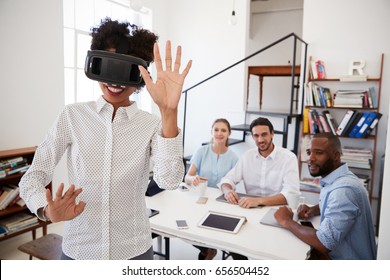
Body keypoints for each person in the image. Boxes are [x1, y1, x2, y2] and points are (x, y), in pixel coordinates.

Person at [19, 18, 192, 260]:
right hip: (79, 251)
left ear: (141, 76)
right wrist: (47, 210)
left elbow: (169, 180)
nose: (115, 81)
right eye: (109, 67)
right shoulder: (72, 116)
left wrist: (168, 111)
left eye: (126, 71)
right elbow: (32, 177)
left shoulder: (152, 125)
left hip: (134, 252)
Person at [274, 132, 377, 260]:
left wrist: (287, 221)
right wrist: (315, 209)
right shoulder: (339, 178)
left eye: (318, 152)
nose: (310, 158)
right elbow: (340, 206)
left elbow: (325, 242)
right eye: (309, 152)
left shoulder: (344, 190)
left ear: (336, 156)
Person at [218, 117, 300, 259]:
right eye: (256, 135)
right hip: (249, 213)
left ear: (272, 134)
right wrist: (227, 190)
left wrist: (258, 201)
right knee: (233, 243)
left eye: (264, 134)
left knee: (272, 253)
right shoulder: (247, 156)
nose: (260, 140)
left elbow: (290, 194)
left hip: (276, 213)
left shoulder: (288, 158)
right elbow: (227, 179)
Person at [184, 118, 239, 260]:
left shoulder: (234, 157)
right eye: (216, 130)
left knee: (232, 240)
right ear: (211, 132)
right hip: (201, 198)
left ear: (229, 133)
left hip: (222, 202)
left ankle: (218, 249)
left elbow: (233, 183)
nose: (219, 133)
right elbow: (187, 177)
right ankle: (207, 249)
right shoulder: (202, 151)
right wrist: (193, 179)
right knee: (187, 228)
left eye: (223, 130)